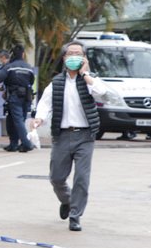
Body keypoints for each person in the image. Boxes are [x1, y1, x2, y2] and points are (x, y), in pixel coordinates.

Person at [33, 41, 106, 232]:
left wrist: (86, 74)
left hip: (85, 135)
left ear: (84, 59)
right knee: (56, 178)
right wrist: (39, 119)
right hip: (62, 135)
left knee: (82, 178)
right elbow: (45, 104)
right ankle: (67, 201)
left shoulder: (90, 81)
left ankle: (75, 216)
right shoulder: (56, 83)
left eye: (78, 54)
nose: (74, 56)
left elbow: (103, 93)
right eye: (70, 53)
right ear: (64, 58)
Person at [0, 45, 36, 152]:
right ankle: (13, 144)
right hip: (27, 96)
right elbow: (32, 81)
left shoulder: (10, 66)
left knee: (17, 120)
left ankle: (27, 143)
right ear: (23, 54)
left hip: (14, 96)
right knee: (15, 120)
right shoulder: (28, 67)